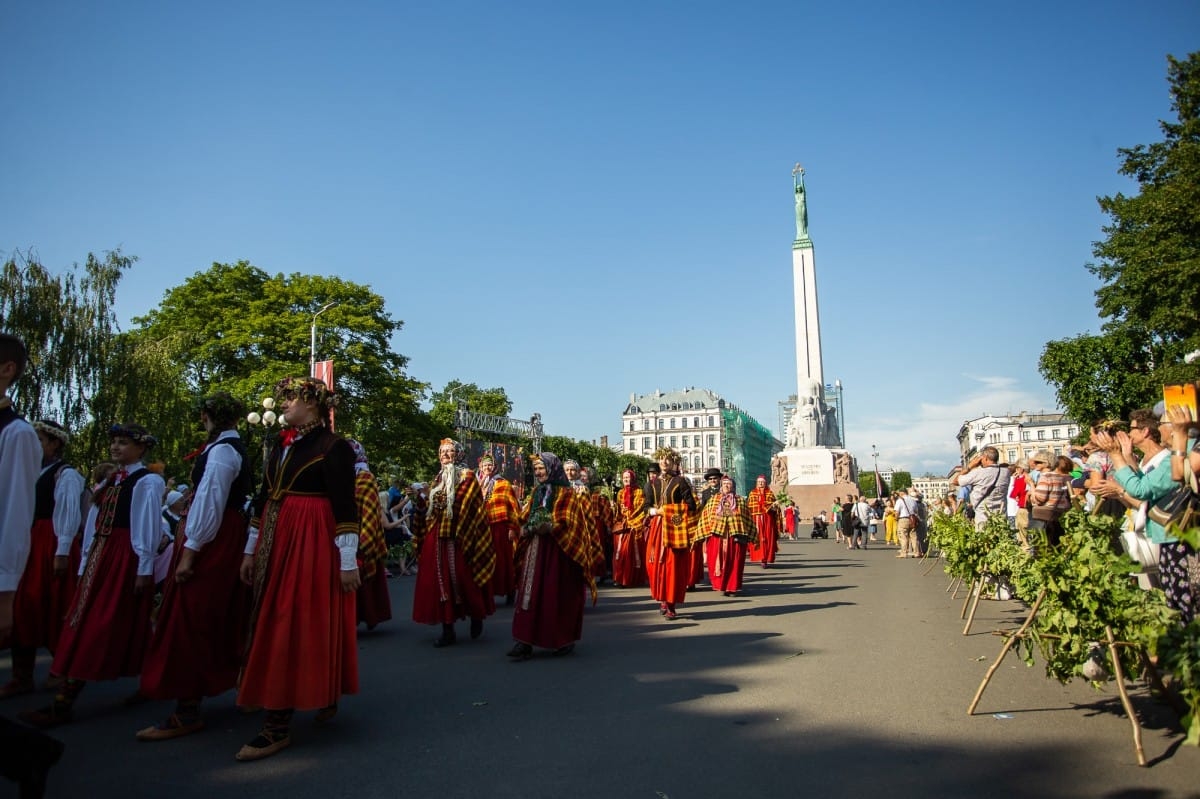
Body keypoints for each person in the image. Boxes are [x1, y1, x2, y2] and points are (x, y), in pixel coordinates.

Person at [234, 377, 359, 762]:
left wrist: (347, 562)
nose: (285, 403)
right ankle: (293, 695)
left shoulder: (333, 447)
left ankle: (277, 722)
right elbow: (263, 499)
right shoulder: (281, 444)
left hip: (309, 542)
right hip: (278, 537)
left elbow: (344, 507)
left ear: (315, 405)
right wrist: (250, 551)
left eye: (293, 398)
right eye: (285, 397)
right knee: (274, 618)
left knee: (291, 621)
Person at [20, 424, 165, 729]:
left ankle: (65, 701)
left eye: (123, 443)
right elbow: (93, 523)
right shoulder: (111, 479)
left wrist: (143, 567)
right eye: (113, 442)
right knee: (102, 621)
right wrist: (85, 561)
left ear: (141, 449)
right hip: (103, 553)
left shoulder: (147, 481)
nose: (115, 448)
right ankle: (149, 680)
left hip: (123, 555)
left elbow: (147, 525)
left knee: (98, 625)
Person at [136, 392, 252, 742]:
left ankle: (187, 707)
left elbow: (209, 503)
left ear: (206, 416)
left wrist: (190, 552)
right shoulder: (229, 449)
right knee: (219, 613)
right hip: (223, 535)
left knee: (192, 617)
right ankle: (240, 685)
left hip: (213, 540)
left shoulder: (221, 452)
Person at [0, 334, 64, 799]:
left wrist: (6, 592)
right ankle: (28, 754)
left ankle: (27, 752)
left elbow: (13, 515)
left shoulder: (14, 433)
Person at [2, 420, 84, 699]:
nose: (33, 446)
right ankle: (21, 675)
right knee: (20, 606)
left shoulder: (65, 474)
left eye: (39, 440)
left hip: (49, 542)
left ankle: (60, 670)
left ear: (54, 444)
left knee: (50, 604)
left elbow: (68, 513)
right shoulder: (27, 471)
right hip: (27, 540)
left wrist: (61, 551)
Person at [509, 453, 600, 659]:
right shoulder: (536, 491)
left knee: (555, 594)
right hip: (535, 549)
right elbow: (524, 516)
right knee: (529, 594)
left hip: (559, 552)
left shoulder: (567, 493)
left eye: (542, 468)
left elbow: (571, 522)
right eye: (537, 469)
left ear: (552, 469)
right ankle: (524, 640)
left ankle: (562, 639)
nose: (538, 472)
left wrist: (550, 526)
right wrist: (519, 527)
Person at [412, 438, 495, 648]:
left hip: (461, 535)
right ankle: (447, 628)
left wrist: (445, 504)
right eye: (442, 451)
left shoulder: (467, 476)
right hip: (438, 535)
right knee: (440, 582)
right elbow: (432, 508)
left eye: (449, 451)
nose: (444, 455)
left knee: (465, 578)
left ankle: (476, 615)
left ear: (458, 454)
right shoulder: (438, 477)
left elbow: (469, 506)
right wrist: (422, 499)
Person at [643, 448, 698, 620]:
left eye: (668, 459)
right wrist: (655, 512)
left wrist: (666, 510)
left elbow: (691, 505)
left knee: (672, 566)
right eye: (662, 459)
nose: (664, 462)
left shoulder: (680, 482)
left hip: (674, 528)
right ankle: (662, 599)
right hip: (658, 528)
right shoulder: (651, 484)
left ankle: (671, 603)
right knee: (656, 565)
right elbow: (646, 507)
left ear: (673, 462)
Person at [347, 439, 391, 631]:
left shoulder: (365, 478)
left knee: (365, 583)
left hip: (361, 532)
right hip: (345, 533)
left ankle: (369, 616)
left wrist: (363, 541)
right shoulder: (342, 476)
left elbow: (370, 511)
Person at [476, 453, 520, 603]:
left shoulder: (504, 484)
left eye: (490, 465)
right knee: (485, 561)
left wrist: (513, 528)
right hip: (482, 529)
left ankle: (509, 591)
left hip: (501, 528)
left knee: (503, 561)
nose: (487, 468)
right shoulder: (476, 484)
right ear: (480, 468)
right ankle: (487, 593)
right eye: (484, 465)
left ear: (494, 467)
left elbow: (514, 507)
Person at [701, 475, 754, 596]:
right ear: (721, 486)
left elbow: (747, 519)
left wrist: (752, 536)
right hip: (716, 536)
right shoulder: (714, 500)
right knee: (715, 561)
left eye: (729, 484)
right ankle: (721, 585)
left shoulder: (739, 500)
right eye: (724, 484)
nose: (726, 486)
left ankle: (732, 587)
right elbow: (706, 517)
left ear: (733, 486)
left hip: (734, 537)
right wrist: (702, 533)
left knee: (734, 562)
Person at [950, 446, 1011, 530]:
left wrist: (970, 466)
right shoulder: (1006, 472)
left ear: (985, 458)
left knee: (984, 541)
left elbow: (955, 481)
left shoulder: (978, 473)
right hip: (1001, 516)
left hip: (983, 516)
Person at [610, 469, 647, 588]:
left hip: (633, 526)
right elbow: (618, 512)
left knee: (631, 554)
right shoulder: (620, 492)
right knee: (620, 554)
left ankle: (630, 579)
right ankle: (619, 577)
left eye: (628, 477)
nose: (626, 479)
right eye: (624, 477)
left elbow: (640, 509)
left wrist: (631, 521)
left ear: (633, 478)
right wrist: (614, 508)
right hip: (623, 527)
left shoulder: (639, 492)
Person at [1029, 455, 1074, 547]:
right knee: (1057, 546)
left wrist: (1031, 486)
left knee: (1041, 547)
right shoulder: (1069, 478)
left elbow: (1040, 499)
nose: (1035, 464)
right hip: (1061, 515)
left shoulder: (1047, 476)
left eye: (1039, 462)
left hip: (1043, 516)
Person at [747, 475, 780, 566]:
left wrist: (774, 506)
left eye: (763, 482)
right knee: (758, 538)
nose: (761, 483)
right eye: (759, 482)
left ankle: (766, 558)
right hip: (756, 518)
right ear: (757, 483)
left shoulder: (770, 493)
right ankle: (760, 556)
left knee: (768, 537)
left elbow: (775, 508)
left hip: (768, 518)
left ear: (765, 483)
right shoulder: (752, 493)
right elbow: (750, 506)